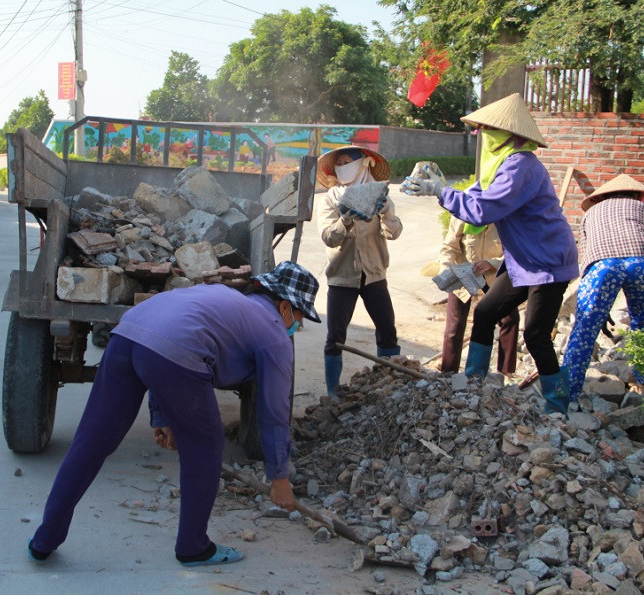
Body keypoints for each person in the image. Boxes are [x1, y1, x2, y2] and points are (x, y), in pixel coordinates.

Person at [27, 261, 321, 567]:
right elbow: (274, 410)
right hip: (170, 351)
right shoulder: (275, 333)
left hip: (128, 333)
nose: (297, 326)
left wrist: (162, 415)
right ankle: (194, 547)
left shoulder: (225, 299)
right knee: (206, 447)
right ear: (284, 306)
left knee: (91, 441)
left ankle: (44, 540)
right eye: (299, 317)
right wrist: (279, 477)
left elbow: (167, 332)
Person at [402, 93, 578, 415]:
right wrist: (439, 186)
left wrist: (441, 192)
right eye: (481, 130)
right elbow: (476, 195)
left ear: (510, 136)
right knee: (485, 314)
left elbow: (482, 210)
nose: (482, 136)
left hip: (548, 261)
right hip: (522, 260)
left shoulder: (521, 166)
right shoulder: (503, 166)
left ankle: (558, 403)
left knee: (536, 333)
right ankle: (475, 385)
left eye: (487, 130)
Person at [563, 174, 644, 402]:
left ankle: (566, 394)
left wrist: (597, 308)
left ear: (603, 197)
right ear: (638, 195)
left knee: (584, 330)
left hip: (603, 265)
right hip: (643, 262)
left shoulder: (590, 213)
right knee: (642, 322)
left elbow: (586, 260)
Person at [317, 145, 403, 397]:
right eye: (339, 163)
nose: (342, 166)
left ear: (363, 163)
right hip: (342, 276)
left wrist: (386, 212)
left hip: (374, 273)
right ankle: (333, 391)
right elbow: (328, 238)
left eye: (347, 161)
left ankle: (388, 383)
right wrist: (344, 220)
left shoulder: (378, 194)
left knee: (387, 330)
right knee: (335, 337)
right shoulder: (331, 199)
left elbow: (394, 233)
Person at [439, 215, 520, 376]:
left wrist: (492, 263)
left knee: (510, 319)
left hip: (493, 274)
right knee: (455, 323)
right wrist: (446, 270)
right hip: (463, 270)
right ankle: (448, 373)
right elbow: (449, 247)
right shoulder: (463, 214)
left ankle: (505, 373)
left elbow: (516, 252)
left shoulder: (506, 216)